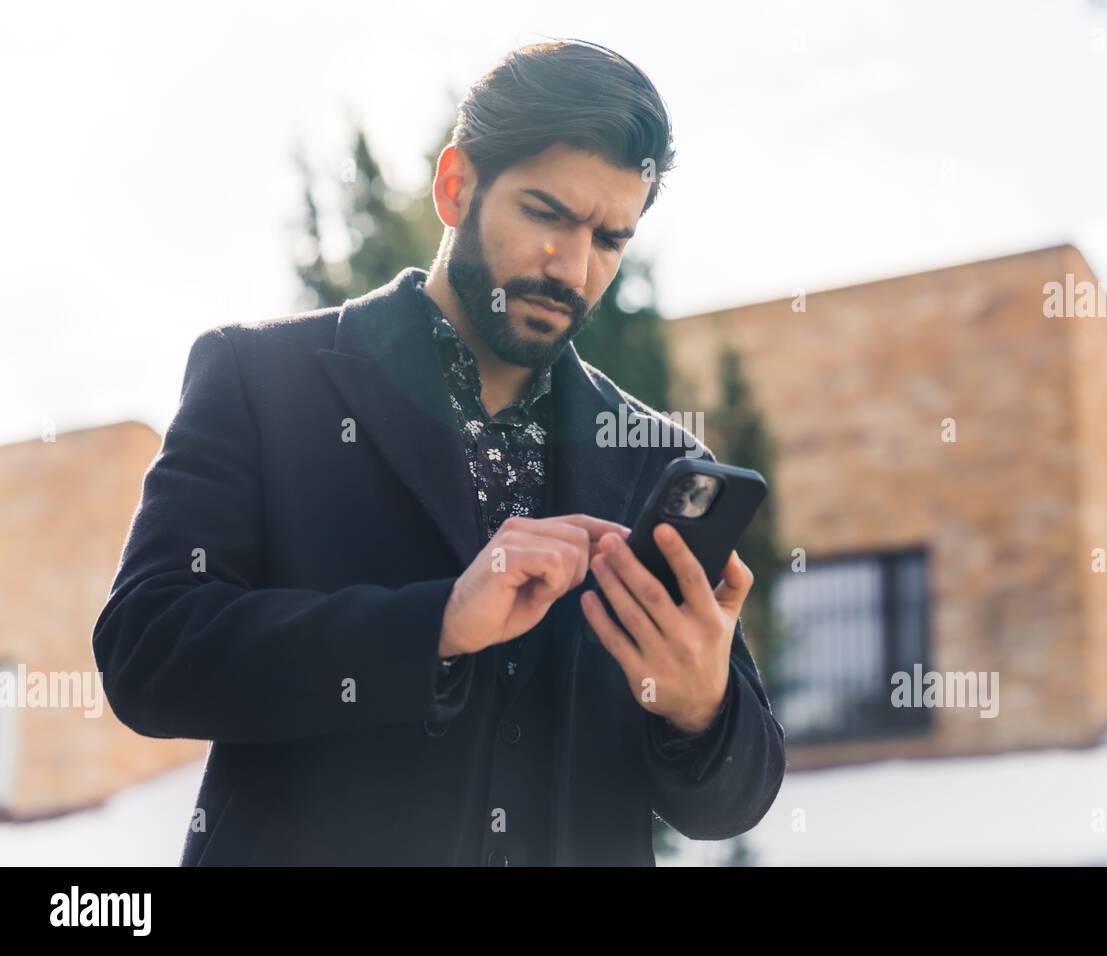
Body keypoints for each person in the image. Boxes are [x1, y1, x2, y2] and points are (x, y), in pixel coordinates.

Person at [92, 37, 786, 866]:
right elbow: (148, 652)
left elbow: (728, 805)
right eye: (548, 215)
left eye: (610, 239)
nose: (572, 267)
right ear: (456, 185)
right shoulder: (259, 378)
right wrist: (437, 626)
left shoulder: (650, 457)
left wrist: (704, 706)